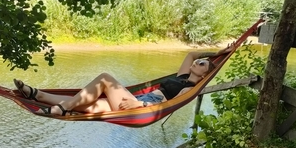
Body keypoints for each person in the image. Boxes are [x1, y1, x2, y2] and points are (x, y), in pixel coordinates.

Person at [13, 45, 233, 116]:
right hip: (136, 99)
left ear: (204, 75)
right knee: (88, 106)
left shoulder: (191, 88)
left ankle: (61, 107)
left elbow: (169, 104)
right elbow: (193, 54)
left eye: (203, 64)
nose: (199, 62)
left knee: (105, 78)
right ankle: (37, 96)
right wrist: (218, 53)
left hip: (141, 105)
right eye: (201, 62)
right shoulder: (182, 76)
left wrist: (139, 104)